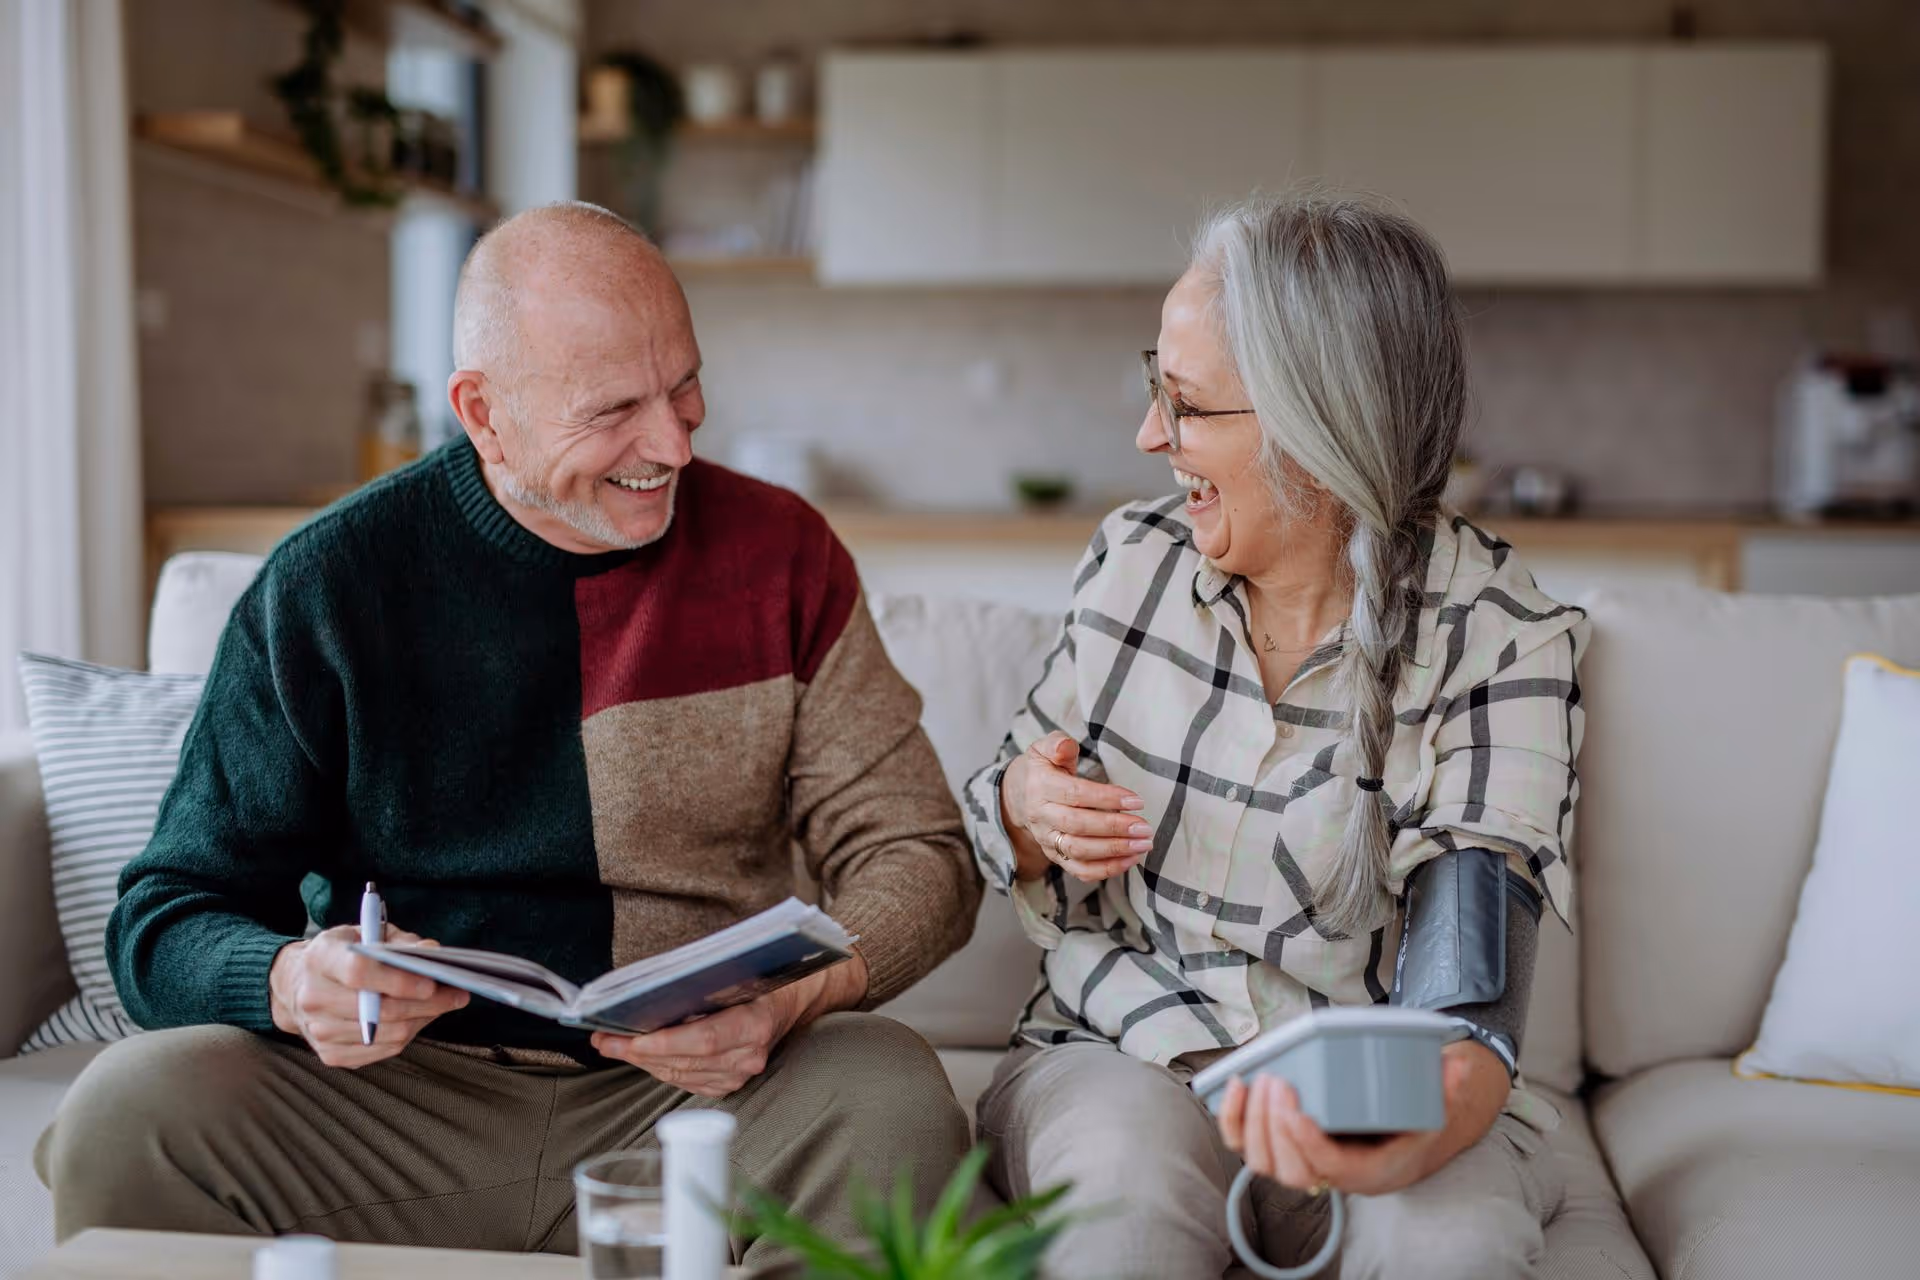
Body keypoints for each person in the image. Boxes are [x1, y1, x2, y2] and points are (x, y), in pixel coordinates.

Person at [37, 202, 984, 1267]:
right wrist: (291, 978)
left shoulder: (782, 554)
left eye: (685, 384)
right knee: (127, 1108)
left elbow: (924, 855)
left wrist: (798, 996)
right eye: (616, 408)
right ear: (483, 413)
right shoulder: (329, 585)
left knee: (892, 1093)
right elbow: (164, 915)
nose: (674, 441)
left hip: (711, 1099)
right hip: (395, 1102)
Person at [965, 193, 1588, 1280]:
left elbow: (1469, 1000)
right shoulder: (1131, 564)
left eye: (1188, 403)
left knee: (1454, 1237)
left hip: (1380, 1085)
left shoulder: (1498, 634)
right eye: (1152, 385)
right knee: (1121, 1204)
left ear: (1315, 425)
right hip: (1130, 1051)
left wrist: (1411, 1137)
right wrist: (1027, 808)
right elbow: (1012, 811)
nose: (1149, 435)